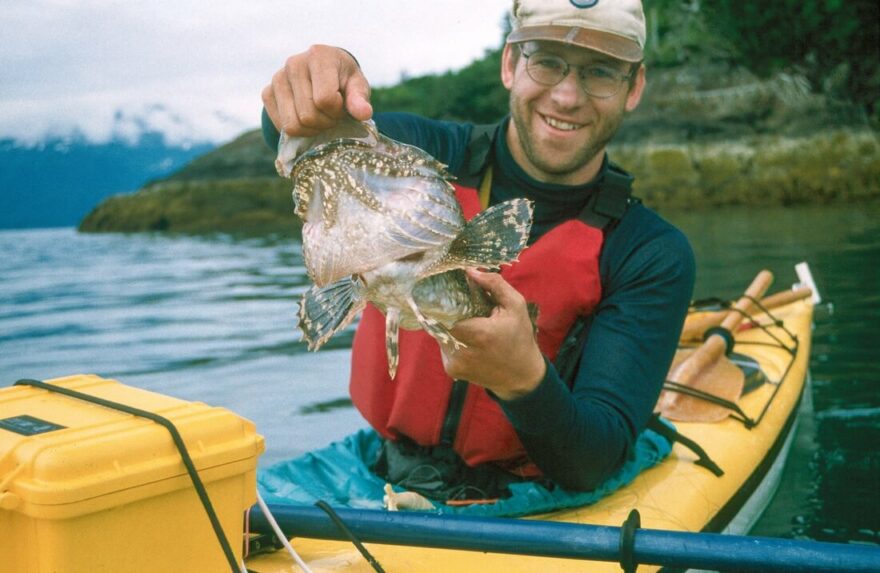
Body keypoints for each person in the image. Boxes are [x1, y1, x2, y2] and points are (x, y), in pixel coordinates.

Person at [261, 0, 695, 497]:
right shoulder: (425, 156)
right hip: (379, 469)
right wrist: (316, 85)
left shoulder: (650, 254)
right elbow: (309, 136)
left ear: (633, 87)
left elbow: (595, 458)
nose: (569, 96)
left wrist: (524, 381)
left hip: (533, 499)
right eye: (547, 61)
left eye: (601, 72)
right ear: (510, 64)